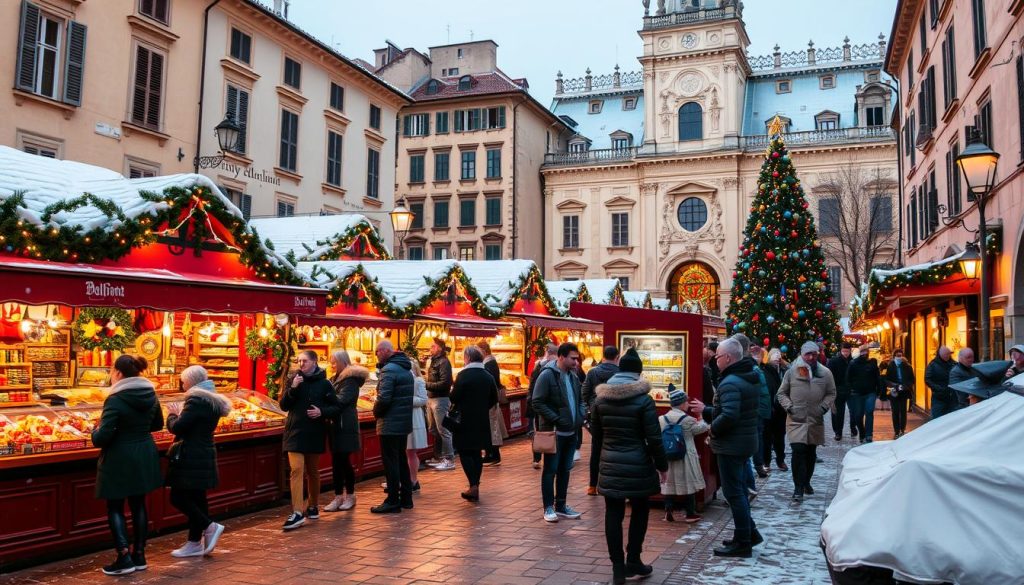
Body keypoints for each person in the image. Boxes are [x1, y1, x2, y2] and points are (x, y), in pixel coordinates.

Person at [590, 347, 667, 584]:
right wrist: (662, 465)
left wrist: (597, 469)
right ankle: (633, 559)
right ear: (638, 373)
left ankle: (617, 568)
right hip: (638, 464)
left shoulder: (601, 399)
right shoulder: (643, 400)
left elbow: (596, 436)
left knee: (613, 513)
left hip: (610, 463)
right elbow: (654, 437)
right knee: (640, 510)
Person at [91, 355, 164, 575]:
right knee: (138, 504)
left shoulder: (115, 399)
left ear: (119, 373)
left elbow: (102, 437)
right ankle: (139, 555)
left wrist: (95, 430)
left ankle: (124, 557)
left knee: (115, 506)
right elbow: (158, 424)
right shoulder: (151, 394)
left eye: (112, 371)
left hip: (119, 457)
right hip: (144, 453)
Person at [690, 338, 761, 558]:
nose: (715, 359)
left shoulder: (730, 382)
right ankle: (749, 533)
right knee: (738, 489)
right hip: (744, 441)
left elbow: (730, 415)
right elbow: (732, 410)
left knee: (734, 493)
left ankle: (743, 542)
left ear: (728, 358)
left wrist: (711, 429)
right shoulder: (747, 376)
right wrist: (709, 409)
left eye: (718, 356)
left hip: (732, 444)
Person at [165, 366, 230, 558]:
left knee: (177, 497)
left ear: (191, 382)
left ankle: (210, 526)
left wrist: (172, 415)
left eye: (183, 382)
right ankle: (194, 543)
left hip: (191, 454)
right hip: (204, 451)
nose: (182, 386)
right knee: (197, 498)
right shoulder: (210, 398)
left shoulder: (196, 400)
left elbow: (179, 428)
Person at [279, 350, 340, 530]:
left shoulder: (324, 384)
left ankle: (313, 505)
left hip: (314, 431)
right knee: (296, 470)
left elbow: (335, 407)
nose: (301, 364)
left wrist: (322, 412)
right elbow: (283, 405)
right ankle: (297, 511)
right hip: (295, 431)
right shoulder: (294, 380)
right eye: (299, 361)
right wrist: (293, 389)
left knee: (312, 471)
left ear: (314, 362)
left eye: (305, 361)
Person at [531, 342, 585, 523]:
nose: (576, 362)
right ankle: (548, 507)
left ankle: (561, 505)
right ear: (561, 357)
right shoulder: (547, 375)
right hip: (554, 433)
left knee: (565, 470)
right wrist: (556, 418)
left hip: (571, 432)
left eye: (577, 359)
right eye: (573, 358)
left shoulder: (573, 376)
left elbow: (580, 399)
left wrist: (580, 415)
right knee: (550, 470)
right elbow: (537, 402)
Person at [777, 342, 837, 502]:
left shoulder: (825, 373)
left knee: (810, 453)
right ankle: (798, 488)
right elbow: (781, 393)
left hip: (815, 419)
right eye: (808, 354)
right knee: (798, 450)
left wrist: (823, 407)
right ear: (802, 355)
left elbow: (831, 393)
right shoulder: (792, 372)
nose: (811, 357)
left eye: (814, 354)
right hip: (796, 419)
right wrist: (789, 407)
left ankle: (806, 482)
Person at [371, 340, 415, 513]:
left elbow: (384, 398)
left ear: (385, 351)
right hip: (403, 422)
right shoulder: (405, 368)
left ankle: (392, 500)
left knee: (391, 462)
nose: (376, 355)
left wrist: (376, 411)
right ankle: (406, 498)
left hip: (390, 422)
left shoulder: (389, 370)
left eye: (377, 352)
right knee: (401, 460)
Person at [450, 346, 499, 502]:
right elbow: (494, 398)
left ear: (468, 358)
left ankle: (473, 486)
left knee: (465, 452)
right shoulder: (487, 376)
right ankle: (475, 484)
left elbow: (453, 397)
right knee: (477, 453)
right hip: (481, 420)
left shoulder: (463, 376)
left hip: (464, 420)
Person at [324, 350, 367, 512]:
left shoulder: (350, 380)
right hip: (335, 425)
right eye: (331, 362)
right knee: (337, 461)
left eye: (334, 362)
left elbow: (341, 401)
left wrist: (326, 397)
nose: (332, 365)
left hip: (345, 425)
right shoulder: (335, 379)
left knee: (343, 461)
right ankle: (338, 497)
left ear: (343, 362)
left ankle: (350, 495)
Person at [659, 388, 710, 523]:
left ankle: (668, 511)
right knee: (689, 484)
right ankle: (690, 513)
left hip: (668, 455)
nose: (687, 404)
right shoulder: (687, 420)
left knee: (669, 483)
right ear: (681, 404)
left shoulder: (661, 419)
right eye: (686, 402)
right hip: (685, 455)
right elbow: (702, 428)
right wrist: (700, 416)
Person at [581, 345, 620, 496]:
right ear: (617, 357)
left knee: (596, 450)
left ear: (603, 356)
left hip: (597, 415)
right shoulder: (620, 373)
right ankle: (613, 483)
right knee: (615, 448)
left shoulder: (592, 372)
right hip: (615, 415)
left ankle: (592, 485)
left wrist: (591, 406)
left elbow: (584, 392)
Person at [423, 338, 455, 471]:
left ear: (440, 348)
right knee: (433, 429)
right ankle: (438, 457)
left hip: (440, 400)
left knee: (443, 430)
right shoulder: (433, 361)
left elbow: (445, 383)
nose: (431, 349)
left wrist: (426, 385)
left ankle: (449, 458)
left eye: (433, 347)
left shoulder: (444, 362)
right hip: (431, 399)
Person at [526, 343, 559, 469]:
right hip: (548, 405)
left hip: (538, 404)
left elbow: (532, 386)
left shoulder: (538, 366)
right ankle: (548, 454)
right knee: (549, 430)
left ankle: (537, 458)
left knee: (539, 431)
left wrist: (531, 401)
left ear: (547, 352)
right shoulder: (555, 367)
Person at [478, 341, 508, 466]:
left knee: (492, 429)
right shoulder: (490, 363)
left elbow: (489, 384)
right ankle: (491, 454)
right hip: (491, 401)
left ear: (484, 351)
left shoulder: (488, 364)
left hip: (490, 402)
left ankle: (492, 455)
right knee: (492, 429)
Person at [847, 344, 882, 443]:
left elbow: (877, 377)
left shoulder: (872, 363)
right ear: (859, 352)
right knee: (858, 415)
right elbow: (848, 378)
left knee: (869, 412)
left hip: (870, 392)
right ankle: (862, 432)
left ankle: (868, 435)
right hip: (857, 393)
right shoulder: (853, 363)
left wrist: (878, 390)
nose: (864, 353)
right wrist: (851, 389)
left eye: (866, 351)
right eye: (863, 351)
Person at [762, 348, 789, 471]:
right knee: (767, 437)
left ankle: (780, 459)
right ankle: (766, 461)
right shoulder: (765, 371)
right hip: (769, 408)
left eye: (779, 354)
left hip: (781, 409)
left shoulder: (785, 370)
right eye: (774, 355)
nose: (777, 357)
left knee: (780, 436)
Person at [749, 344, 772, 478]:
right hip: (760, 410)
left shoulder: (755, 370)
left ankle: (758, 465)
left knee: (756, 437)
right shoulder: (758, 370)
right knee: (758, 437)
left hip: (756, 410)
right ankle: (759, 464)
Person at [883, 349, 915, 438]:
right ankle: (896, 430)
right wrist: (895, 386)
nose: (899, 357)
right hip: (894, 391)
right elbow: (886, 379)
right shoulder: (890, 366)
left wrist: (905, 386)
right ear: (894, 357)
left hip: (904, 391)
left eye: (900, 355)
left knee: (903, 411)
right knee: (895, 411)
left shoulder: (908, 366)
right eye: (897, 355)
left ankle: (902, 429)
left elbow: (912, 380)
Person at [826, 342, 854, 441]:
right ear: (840, 351)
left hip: (851, 390)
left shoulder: (853, 361)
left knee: (854, 411)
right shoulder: (834, 361)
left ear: (850, 351)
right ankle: (838, 432)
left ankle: (853, 428)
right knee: (838, 412)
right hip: (838, 389)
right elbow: (829, 376)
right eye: (844, 351)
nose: (845, 353)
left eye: (847, 351)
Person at [925, 346, 956, 419]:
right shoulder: (932, 365)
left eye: (949, 354)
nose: (948, 356)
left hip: (952, 397)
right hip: (939, 397)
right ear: (941, 355)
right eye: (946, 354)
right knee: (937, 418)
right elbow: (927, 379)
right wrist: (938, 388)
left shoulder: (953, 364)